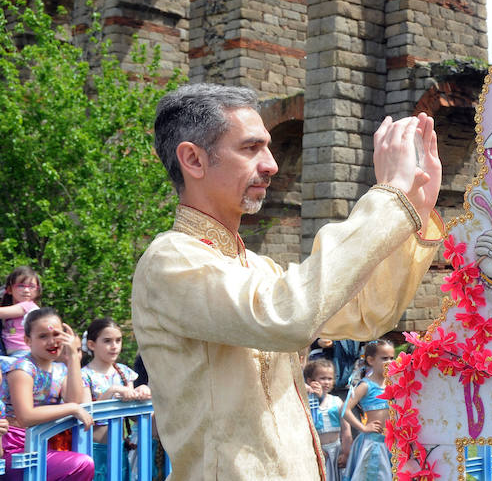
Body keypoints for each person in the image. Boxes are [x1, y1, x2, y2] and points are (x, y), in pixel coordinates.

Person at [132, 83, 443, 480]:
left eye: (267, 146)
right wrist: (387, 198)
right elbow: (288, 316)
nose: (272, 164)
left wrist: (414, 207)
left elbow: (368, 313)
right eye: (250, 148)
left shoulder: (259, 270)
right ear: (193, 159)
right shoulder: (169, 262)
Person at [2, 307, 94, 481]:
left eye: (56, 335)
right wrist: (72, 408)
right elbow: (26, 417)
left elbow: (74, 400)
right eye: (43, 336)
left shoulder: (60, 369)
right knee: (82, 464)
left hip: (42, 445)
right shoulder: (22, 368)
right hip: (13, 450)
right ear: (27, 340)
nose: (52, 342)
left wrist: (73, 356)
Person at [81, 318, 151, 481]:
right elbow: (87, 414)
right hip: (94, 450)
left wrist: (142, 393)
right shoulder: (84, 375)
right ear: (92, 345)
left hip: (119, 449)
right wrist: (112, 391)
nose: (114, 346)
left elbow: (133, 416)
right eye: (107, 341)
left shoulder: (125, 373)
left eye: (118, 340)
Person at [341, 339, 395, 481]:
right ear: (371, 360)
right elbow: (344, 410)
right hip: (373, 444)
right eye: (384, 358)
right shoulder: (366, 385)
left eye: (392, 358)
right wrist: (363, 428)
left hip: (391, 444)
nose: (389, 362)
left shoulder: (394, 384)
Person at [303, 359, 351, 481]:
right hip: (318, 452)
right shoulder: (307, 403)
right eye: (322, 378)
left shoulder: (337, 401)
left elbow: (346, 429)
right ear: (310, 381)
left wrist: (346, 453)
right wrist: (314, 448)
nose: (326, 382)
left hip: (336, 451)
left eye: (329, 378)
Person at [0, 266, 42, 362]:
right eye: (21, 286)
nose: (26, 290)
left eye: (31, 286)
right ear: (10, 290)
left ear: (37, 290)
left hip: (23, 353)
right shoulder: (13, 308)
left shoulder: (29, 306)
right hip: (11, 353)